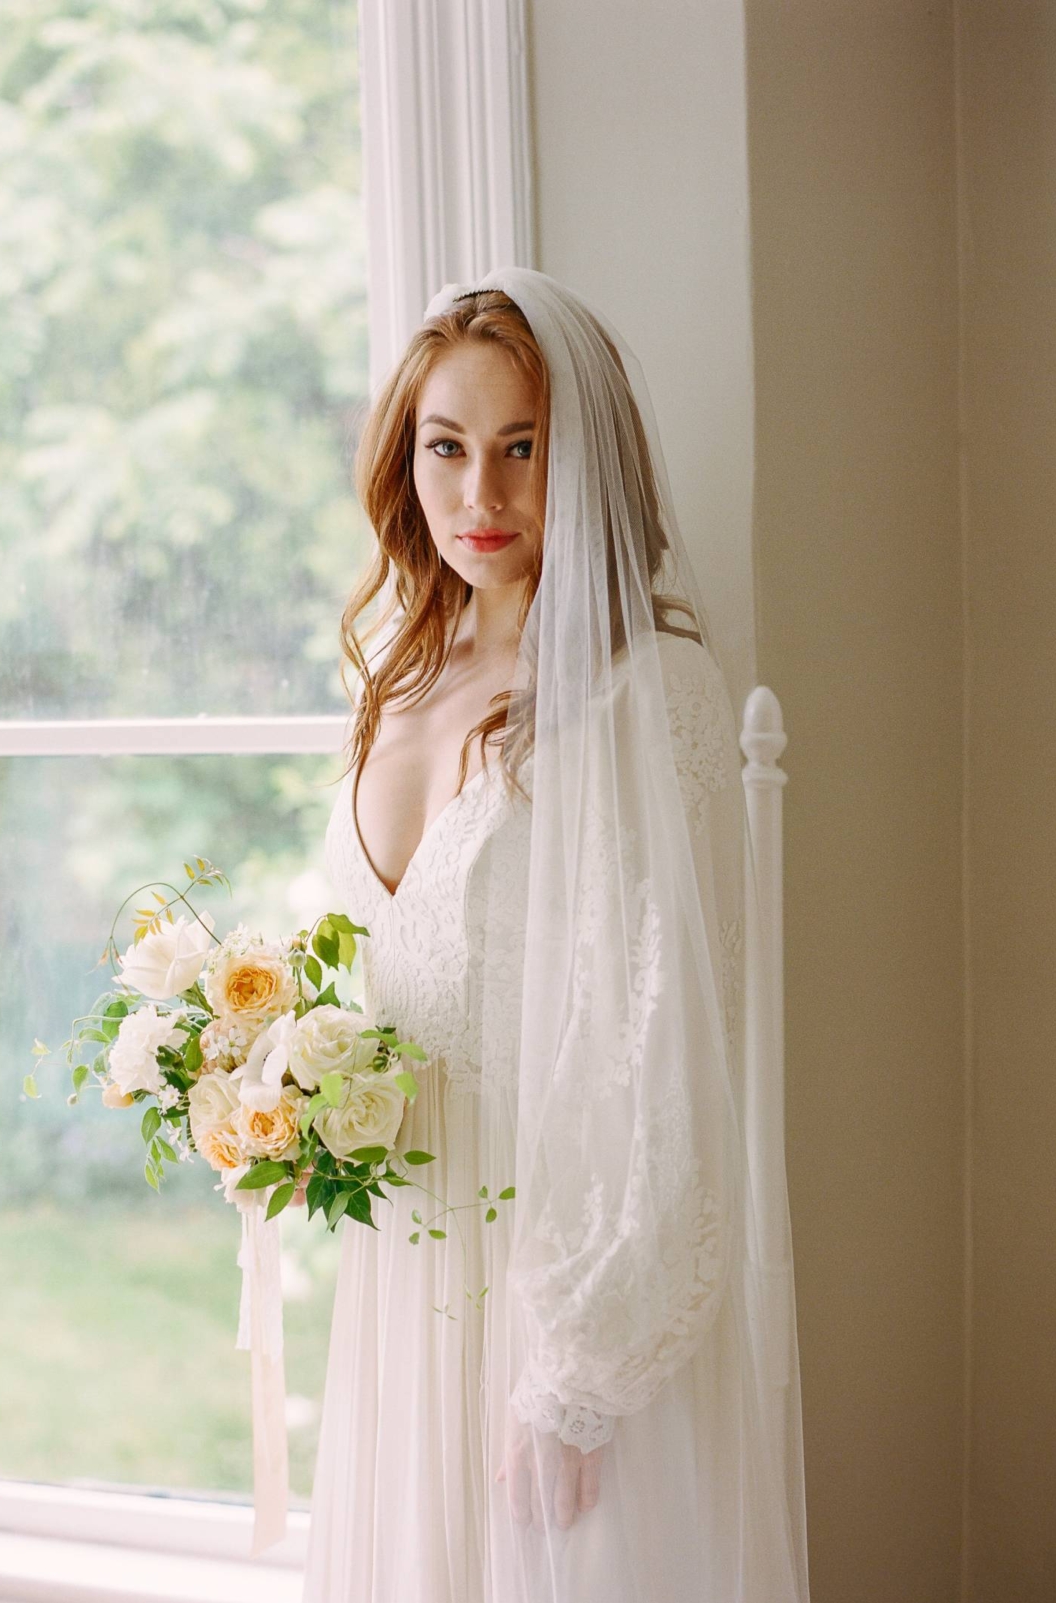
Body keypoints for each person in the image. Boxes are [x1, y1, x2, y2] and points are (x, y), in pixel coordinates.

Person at [301, 268, 810, 1602]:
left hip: (560, 1288)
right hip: (409, 1274)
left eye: (523, 449)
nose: (482, 496)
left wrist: (579, 1379)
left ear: (590, 462)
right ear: (403, 460)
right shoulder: (398, 683)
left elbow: (669, 1062)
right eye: (447, 448)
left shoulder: (650, 699)